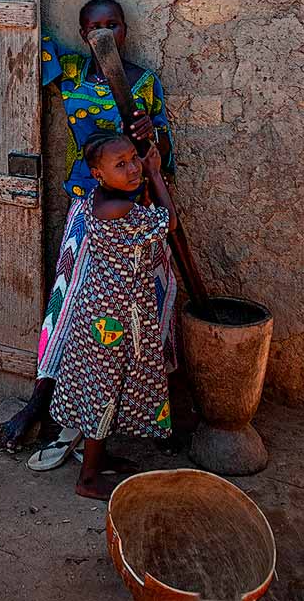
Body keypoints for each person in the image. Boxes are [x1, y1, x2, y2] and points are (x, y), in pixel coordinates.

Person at [4, 0, 177, 456]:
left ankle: (135, 413)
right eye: (95, 27)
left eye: (113, 25)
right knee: (70, 306)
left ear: (125, 30)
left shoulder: (145, 82)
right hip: (88, 210)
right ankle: (46, 398)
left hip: (140, 211)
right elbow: (17, 31)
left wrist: (151, 133)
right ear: (85, 33)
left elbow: (165, 155)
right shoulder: (72, 71)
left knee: (149, 310)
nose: (105, 32)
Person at [50, 133, 176, 500]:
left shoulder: (103, 198)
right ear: (98, 174)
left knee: (110, 384)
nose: (133, 167)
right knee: (104, 390)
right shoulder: (117, 209)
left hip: (107, 309)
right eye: (120, 164)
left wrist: (143, 178)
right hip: (111, 316)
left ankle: (100, 456)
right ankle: (88, 478)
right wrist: (155, 174)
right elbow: (168, 223)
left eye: (135, 159)